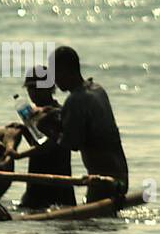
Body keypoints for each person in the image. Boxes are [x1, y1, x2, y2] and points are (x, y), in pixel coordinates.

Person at [52, 46, 129, 203]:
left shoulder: (75, 100)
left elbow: (70, 144)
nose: (54, 80)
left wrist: (45, 129)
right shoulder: (97, 90)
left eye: (56, 74)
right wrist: (57, 114)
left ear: (67, 70)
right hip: (121, 176)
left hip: (103, 181)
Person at [13, 67, 76, 209]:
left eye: (38, 88)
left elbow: (50, 146)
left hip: (56, 186)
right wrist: (23, 130)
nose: (34, 93)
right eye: (30, 89)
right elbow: (37, 142)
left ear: (50, 88)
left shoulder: (57, 113)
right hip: (36, 186)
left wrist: (19, 155)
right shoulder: (35, 114)